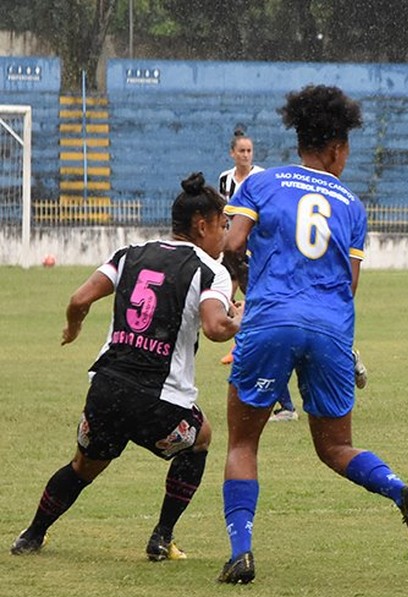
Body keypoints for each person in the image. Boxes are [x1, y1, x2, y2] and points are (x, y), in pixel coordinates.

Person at [217, 84, 408, 584]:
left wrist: (255, 281)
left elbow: (232, 244)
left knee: (243, 442)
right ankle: (400, 490)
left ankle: (241, 552)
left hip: (271, 317)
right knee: (335, 447)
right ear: (337, 148)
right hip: (332, 327)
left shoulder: (262, 183)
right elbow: (350, 282)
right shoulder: (352, 205)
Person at [10, 172, 242, 560]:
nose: (224, 235)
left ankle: (32, 535)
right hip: (158, 399)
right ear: (201, 226)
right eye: (222, 225)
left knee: (83, 466)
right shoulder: (210, 270)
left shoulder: (130, 252)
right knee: (200, 438)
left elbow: (79, 297)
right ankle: (161, 538)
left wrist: (74, 325)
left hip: (107, 387)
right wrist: (239, 318)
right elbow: (216, 328)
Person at [217, 128, 300, 421]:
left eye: (249, 151)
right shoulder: (226, 179)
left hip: (255, 258)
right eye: (241, 151)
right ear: (233, 153)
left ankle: (284, 403)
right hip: (233, 255)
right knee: (228, 307)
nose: (246, 155)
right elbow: (226, 217)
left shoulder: (263, 179)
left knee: (263, 325)